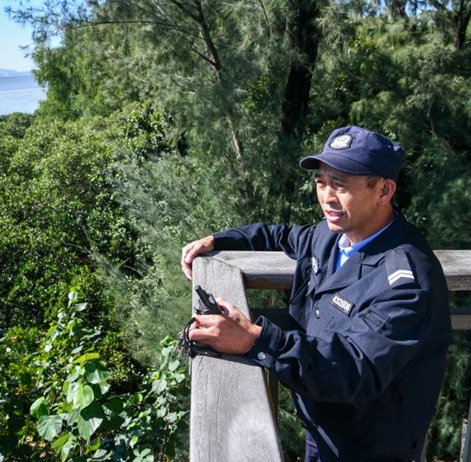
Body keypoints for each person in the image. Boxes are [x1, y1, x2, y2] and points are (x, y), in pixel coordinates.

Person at [181, 126, 452, 462]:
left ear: (384, 191)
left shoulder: (407, 282)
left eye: (341, 184)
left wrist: (256, 339)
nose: (327, 196)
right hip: (322, 427)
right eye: (321, 181)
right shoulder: (333, 236)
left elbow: (355, 369)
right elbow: (283, 236)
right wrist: (221, 240)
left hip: (367, 447)